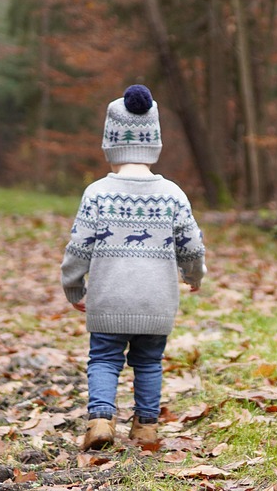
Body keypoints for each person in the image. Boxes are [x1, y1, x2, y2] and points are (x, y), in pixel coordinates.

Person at [61, 84, 206, 451]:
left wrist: (73, 285)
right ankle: (146, 428)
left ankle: (99, 420)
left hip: (109, 298)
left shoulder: (97, 192)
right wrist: (194, 275)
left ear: (111, 143)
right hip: (156, 302)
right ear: (152, 142)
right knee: (149, 362)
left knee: (105, 358)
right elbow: (191, 244)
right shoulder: (173, 193)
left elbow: (79, 247)